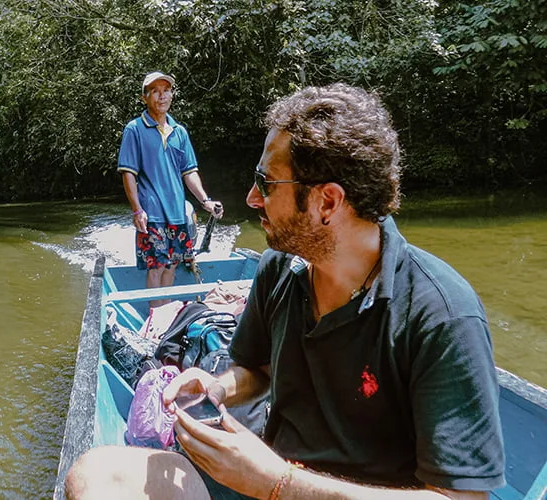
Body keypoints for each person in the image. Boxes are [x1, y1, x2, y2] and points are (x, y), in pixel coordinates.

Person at [65, 83, 505, 499]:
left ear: (327, 202)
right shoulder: (280, 266)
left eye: (267, 183)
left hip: (304, 485)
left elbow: (460, 494)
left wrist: (279, 483)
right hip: (267, 477)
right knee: (95, 472)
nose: (253, 198)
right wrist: (216, 387)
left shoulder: (442, 314)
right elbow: (258, 370)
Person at [118, 71, 223, 305]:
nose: (161, 96)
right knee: (156, 267)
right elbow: (128, 173)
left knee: (172, 264)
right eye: (155, 91)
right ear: (144, 97)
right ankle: (155, 319)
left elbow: (190, 172)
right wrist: (137, 210)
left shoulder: (180, 132)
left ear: (172, 95)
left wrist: (205, 200)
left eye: (166, 90)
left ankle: (164, 316)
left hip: (178, 212)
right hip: (151, 213)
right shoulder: (134, 129)